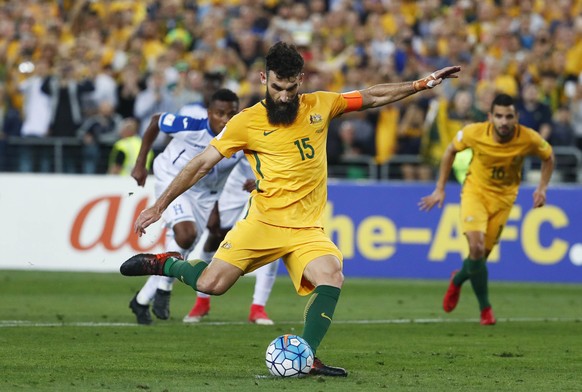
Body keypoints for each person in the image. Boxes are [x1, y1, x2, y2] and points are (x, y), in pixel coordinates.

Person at [120, 41, 460, 376]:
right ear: (263, 79)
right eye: (277, 87)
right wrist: (161, 205)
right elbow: (201, 163)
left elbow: (371, 96)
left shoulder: (321, 105)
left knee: (332, 275)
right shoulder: (245, 122)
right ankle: (168, 264)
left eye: (290, 87)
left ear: (302, 80)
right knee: (211, 284)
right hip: (263, 222)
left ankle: (308, 356)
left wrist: (421, 83)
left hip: (306, 229)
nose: (283, 95)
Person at [129, 89, 276, 326]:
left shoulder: (241, 142)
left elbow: (263, 165)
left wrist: (257, 181)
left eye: (231, 113)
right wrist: (140, 163)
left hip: (206, 196)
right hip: (172, 180)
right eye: (219, 113)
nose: (226, 120)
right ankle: (165, 289)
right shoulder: (191, 126)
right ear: (209, 113)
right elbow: (156, 120)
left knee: (184, 246)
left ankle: (142, 299)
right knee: (186, 235)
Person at [419, 93, 555, 326]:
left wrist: (542, 188)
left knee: (478, 259)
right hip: (475, 193)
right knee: (476, 246)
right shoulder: (474, 132)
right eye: (499, 116)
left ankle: (458, 279)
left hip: (504, 199)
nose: (503, 121)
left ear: (516, 118)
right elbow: (450, 150)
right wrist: (440, 188)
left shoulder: (528, 138)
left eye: (508, 116)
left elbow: (548, 156)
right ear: (490, 116)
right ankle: (486, 309)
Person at [183, 159, 279, 325]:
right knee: (216, 235)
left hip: (271, 185)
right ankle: (202, 302)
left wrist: (265, 184)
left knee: (271, 240)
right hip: (235, 182)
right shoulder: (240, 133)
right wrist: (214, 203)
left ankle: (258, 308)